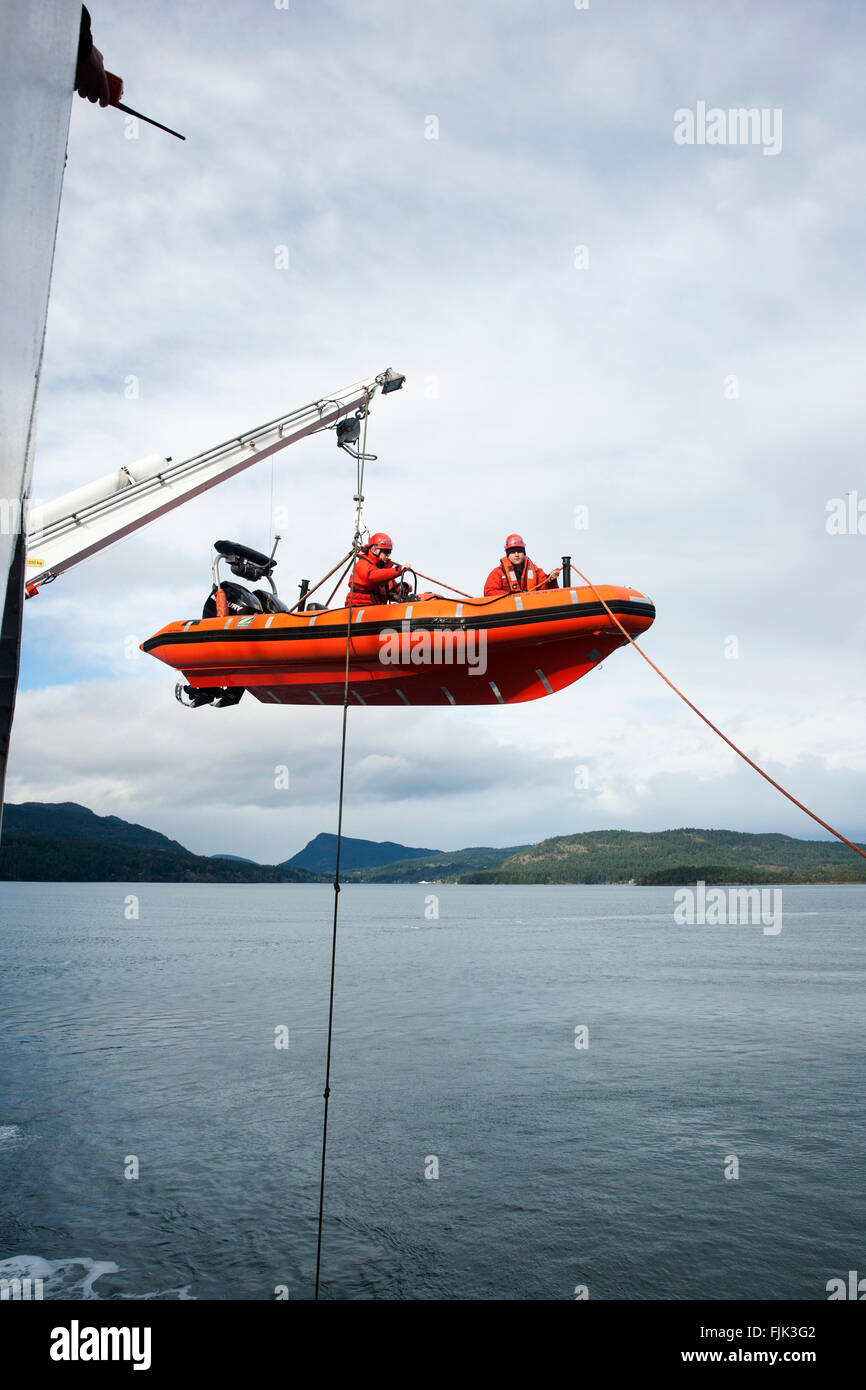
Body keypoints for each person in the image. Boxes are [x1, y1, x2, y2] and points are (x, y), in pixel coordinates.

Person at [344, 532, 433, 606]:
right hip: (360, 607)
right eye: (386, 552)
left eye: (389, 552)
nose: (388, 555)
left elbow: (392, 589)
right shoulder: (363, 564)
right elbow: (374, 576)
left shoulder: (383, 570)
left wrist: (404, 588)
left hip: (376, 609)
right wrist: (399, 570)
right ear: (374, 550)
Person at [483, 534, 562, 597]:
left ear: (524, 554)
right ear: (508, 555)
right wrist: (511, 595)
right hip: (509, 611)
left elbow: (547, 591)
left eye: (519, 552)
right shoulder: (498, 572)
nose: (516, 555)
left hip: (532, 609)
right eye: (513, 552)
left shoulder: (536, 571)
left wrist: (551, 580)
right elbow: (489, 592)